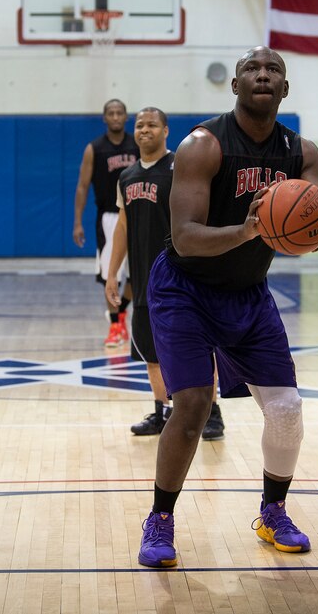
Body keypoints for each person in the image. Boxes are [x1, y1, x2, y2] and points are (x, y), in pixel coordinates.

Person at [136, 46, 318, 569]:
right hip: (185, 287)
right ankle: (160, 519)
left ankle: (273, 513)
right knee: (193, 405)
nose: (263, 75)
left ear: (285, 89)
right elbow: (183, 239)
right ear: (235, 85)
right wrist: (251, 227)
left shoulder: (303, 152)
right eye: (252, 68)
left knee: (287, 409)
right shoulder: (203, 145)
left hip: (248, 290)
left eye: (274, 70)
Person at [105, 108, 225, 440]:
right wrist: (112, 272)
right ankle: (162, 412)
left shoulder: (180, 169)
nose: (145, 130)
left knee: (198, 348)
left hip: (183, 275)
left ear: (166, 130)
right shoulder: (126, 176)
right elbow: (123, 227)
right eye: (140, 125)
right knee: (150, 351)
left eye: (152, 125)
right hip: (144, 278)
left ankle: (212, 413)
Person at [73, 98, 139, 348]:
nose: (114, 117)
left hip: (137, 214)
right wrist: (77, 222)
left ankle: (120, 312)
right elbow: (82, 186)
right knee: (110, 274)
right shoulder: (95, 148)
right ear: (104, 117)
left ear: (125, 116)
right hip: (109, 217)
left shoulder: (137, 144)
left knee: (137, 275)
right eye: (110, 113)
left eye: (119, 113)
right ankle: (115, 326)